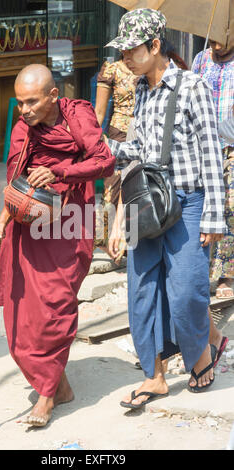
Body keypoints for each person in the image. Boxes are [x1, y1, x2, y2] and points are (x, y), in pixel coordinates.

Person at [106, 8, 225, 407]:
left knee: (188, 289)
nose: (124, 56)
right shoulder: (141, 91)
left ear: (155, 46)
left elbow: (210, 154)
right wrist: (104, 147)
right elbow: (140, 153)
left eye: (131, 49)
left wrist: (214, 216)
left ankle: (201, 353)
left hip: (189, 203)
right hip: (148, 201)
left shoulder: (192, 87)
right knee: (141, 290)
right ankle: (153, 375)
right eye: (121, 49)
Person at [0, 64, 115, 427]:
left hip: (70, 223)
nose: (24, 110)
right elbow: (15, 183)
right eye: (20, 102)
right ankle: (57, 385)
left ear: (53, 96)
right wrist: (0, 222)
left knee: (54, 309)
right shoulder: (23, 130)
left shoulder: (78, 117)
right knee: (20, 319)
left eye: (31, 102)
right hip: (30, 225)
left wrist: (60, 172)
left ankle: (45, 397)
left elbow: (105, 161)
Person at [192, 41, 234, 301]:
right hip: (203, 145)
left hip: (231, 145)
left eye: (223, 37)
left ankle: (226, 274)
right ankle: (202, 269)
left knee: (229, 207)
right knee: (202, 206)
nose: (216, 43)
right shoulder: (201, 59)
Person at [93, 58, 138, 249]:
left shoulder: (150, 69)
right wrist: (93, 140)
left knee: (137, 185)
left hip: (143, 132)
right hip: (118, 133)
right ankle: (108, 239)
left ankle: (132, 239)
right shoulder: (112, 69)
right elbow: (100, 111)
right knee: (113, 187)